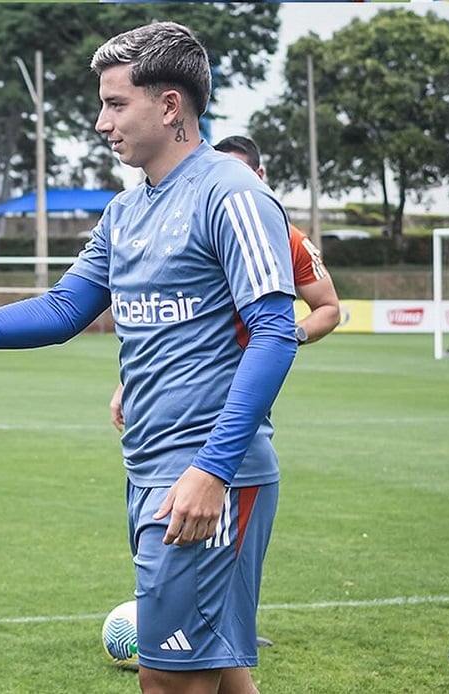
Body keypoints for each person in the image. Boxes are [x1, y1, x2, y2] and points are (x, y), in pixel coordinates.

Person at [0, 21, 296, 694]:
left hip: (207, 475)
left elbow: (275, 332)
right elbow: (62, 309)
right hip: (150, 469)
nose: (101, 122)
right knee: (221, 672)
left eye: (115, 103)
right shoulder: (126, 212)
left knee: (167, 680)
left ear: (170, 105)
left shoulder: (232, 192)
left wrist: (212, 470)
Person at [105, 134, 341, 651]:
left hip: (222, 429)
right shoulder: (155, 215)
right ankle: (220, 631)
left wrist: (284, 335)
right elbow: (174, 323)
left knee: (188, 655)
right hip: (160, 440)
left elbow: (327, 309)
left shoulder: (285, 235)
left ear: (257, 178)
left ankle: (220, 627)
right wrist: (135, 378)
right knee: (209, 654)